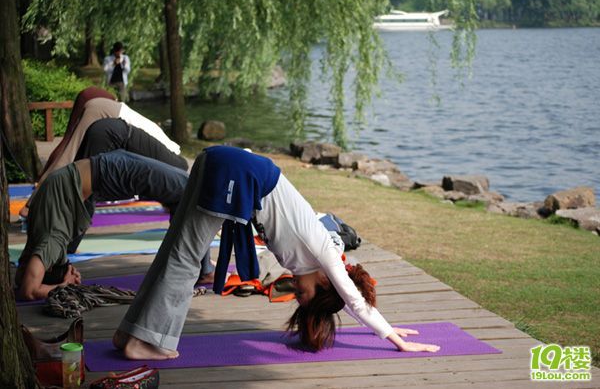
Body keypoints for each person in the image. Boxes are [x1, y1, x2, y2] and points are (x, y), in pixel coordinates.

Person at [113, 146, 440, 360]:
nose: (298, 295)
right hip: (235, 172)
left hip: (224, 163)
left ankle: (130, 332)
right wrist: (392, 336)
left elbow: (349, 292)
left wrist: (388, 325)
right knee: (185, 259)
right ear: (326, 282)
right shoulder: (324, 252)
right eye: (308, 296)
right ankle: (148, 341)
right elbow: (354, 300)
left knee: (175, 249)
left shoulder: (307, 257)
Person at [15, 150, 189, 301]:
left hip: (108, 171)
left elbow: (28, 291)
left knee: (186, 188)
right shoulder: (45, 241)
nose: (74, 273)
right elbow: (26, 274)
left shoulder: (52, 242)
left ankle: (199, 269)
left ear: (50, 266)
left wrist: (64, 284)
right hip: (103, 166)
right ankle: (200, 268)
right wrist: (63, 277)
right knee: (182, 185)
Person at [19, 92, 186, 219]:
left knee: (73, 154)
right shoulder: (175, 161)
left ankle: (39, 201)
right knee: (71, 155)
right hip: (108, 112)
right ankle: (37, 202)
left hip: (106, 110)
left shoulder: (161, 146)